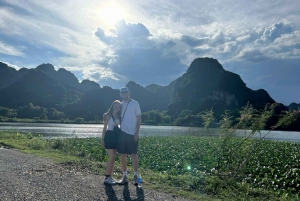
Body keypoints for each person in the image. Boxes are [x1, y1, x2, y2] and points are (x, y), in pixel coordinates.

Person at [117, 86, 141, 185]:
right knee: (123, 155)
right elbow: (113, 113)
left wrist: (136, 133)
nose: (124, 94)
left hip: (132, 133)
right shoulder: (120, 105)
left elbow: (139, 118)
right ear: (121, 94)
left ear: (129, 93)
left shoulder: (135, 104)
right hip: (122, 133)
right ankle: (125, 176)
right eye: (122, 93)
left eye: (125, 92)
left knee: (133, 154)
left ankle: (135, 176)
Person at [101, 100, 122, 185]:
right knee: (111, 157)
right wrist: (102, 140)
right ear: (113, 106)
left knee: (113, 158)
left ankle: (110, 176)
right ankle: (107, 177)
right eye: (116, 106)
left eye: (119, 107)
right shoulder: (108, 115)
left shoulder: (119, 116)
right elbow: (104, 128)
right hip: (109, 136)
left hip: (116, 137)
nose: (117, 108)